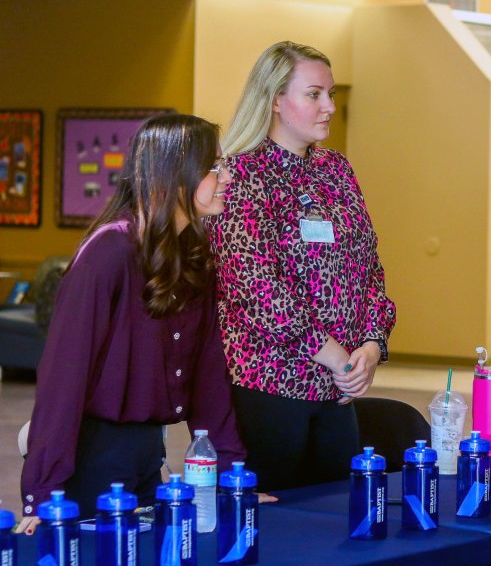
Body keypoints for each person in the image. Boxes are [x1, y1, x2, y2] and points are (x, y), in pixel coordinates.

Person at [17, 114, 245, 532]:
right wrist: (42, 496)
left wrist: (232, 475)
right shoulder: (109, 253)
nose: (227, 176)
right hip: (92, 461)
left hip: (147, 454)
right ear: (175, 174)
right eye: (215, 166)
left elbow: (209, 375)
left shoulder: (194, 254)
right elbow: (63, 380)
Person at [206, 41, 396, 492]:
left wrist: (371, 345)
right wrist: (331, 353)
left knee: (338, 520)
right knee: (271, 533)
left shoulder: (337, 170)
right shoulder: (240, 176)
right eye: (314, 94)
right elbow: (253, 285)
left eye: (331, 95)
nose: (329, 106)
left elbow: (369, 267)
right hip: (268, 386)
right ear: (274, 99)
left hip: (338, 387)